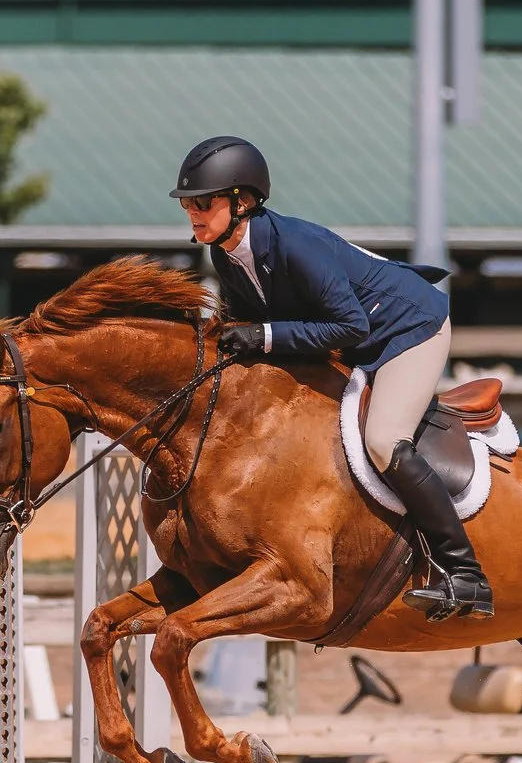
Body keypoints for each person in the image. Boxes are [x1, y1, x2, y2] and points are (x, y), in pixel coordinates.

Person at [171, 134, 491, 619]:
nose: (192, 212)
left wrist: (264, 337)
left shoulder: (295, 244)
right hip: (355, 340)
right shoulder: (225, 255)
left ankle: (465, 573)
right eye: (188, 203)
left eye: (202, 201)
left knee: (385, 440)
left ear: (244, 201)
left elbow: (349, 325)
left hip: (407, 330)